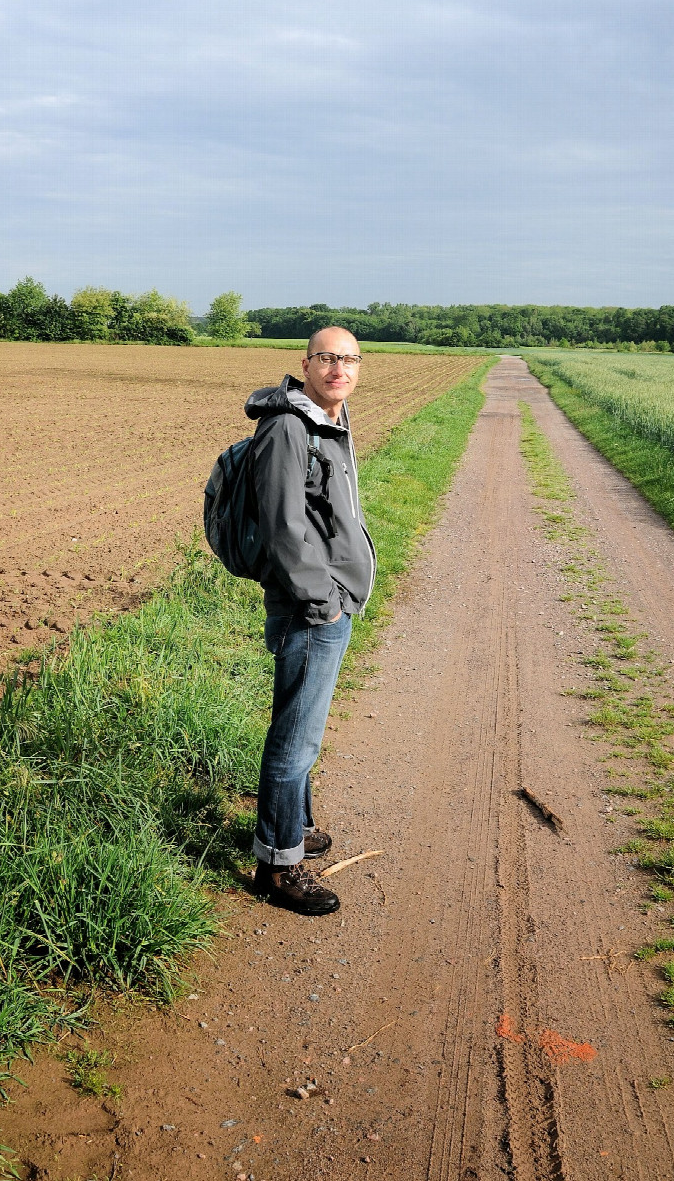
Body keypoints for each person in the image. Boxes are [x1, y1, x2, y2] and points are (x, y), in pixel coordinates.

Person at [245, 326, 376, 915]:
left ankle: (293, 824)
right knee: (295, 736)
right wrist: (321, 598)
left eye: (348, 359)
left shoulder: (330, 418)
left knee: (303, 724)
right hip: (311, 605)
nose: (337, 368)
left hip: (331, 597)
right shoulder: (287, 427)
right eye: (327, 357)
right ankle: (278, 865)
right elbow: (281, 527)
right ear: (305, 363)